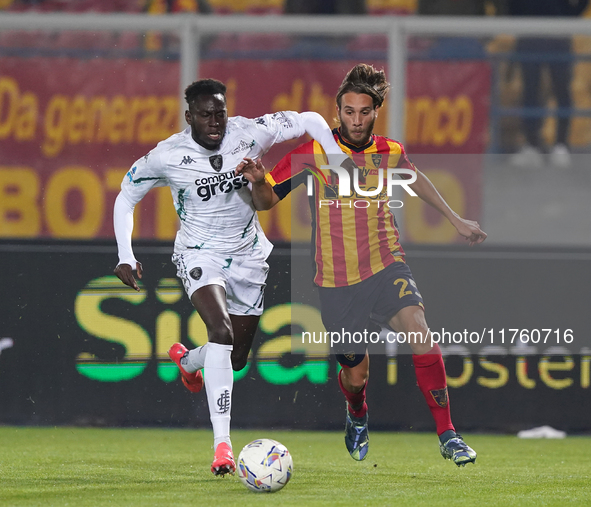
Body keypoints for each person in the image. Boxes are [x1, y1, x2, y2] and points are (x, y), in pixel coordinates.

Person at [237, 64, 487, 466]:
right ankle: (357, 412)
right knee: (357, 375)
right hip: (337, 282)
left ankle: (448, 434)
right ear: (337, 113)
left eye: (364, 112)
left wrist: (455, 219)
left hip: (387, 264)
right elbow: (266, 202)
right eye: (349, 112)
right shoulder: (311, 152)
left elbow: (416, 178)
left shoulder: (389, 151)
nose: (356, 119)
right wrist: (258, 181)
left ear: (375, 113)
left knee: (420, 332)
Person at [113, 78, 352, 476]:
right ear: (189, 116)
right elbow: (126, 196)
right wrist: (125, 254)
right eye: (205, 114)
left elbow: (310, 119)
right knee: (220, 332)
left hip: (248, 255)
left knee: (236, 358)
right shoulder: (168, 155)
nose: (215, 121)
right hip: (198, 253)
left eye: (220, 113)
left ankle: (189, 362)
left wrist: (336, 159)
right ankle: (222, 447)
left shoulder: (249, 132)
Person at [507, 0, 589, 168]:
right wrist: (520, 20)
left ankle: (561, 146)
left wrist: (568, 19)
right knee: (530, 91)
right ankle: (532, 146)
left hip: (558, 35)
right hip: (529, 35)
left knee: (562, 91)